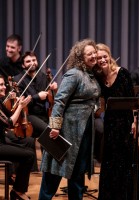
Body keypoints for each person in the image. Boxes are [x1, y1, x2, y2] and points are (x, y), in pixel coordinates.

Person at [38, 38, 101, 200]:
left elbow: (92, 99)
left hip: (84, 130)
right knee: (54, 172)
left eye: (94, 52)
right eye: (89, 53)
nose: (94, 55)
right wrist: (55, 126)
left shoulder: (92, 75)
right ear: (80, 57)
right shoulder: (74, 74)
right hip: (66, 131)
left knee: (78, 172)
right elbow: (59, 100)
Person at [94, 43, 139, 200]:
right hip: (110, 124)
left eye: (105, 56)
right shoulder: (97, 77)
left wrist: (135, 121)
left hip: (126, 123)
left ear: (109, 56)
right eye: (99, 57)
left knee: (127, 161)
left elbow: (133, 101)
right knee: (110, 162)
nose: (103, 59)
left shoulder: (123, 73)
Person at [0, 74, 34, 200]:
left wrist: (18, 103)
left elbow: (9, 115)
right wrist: (20, 106)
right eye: (1, 85)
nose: (4, 87)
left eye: (4, 84)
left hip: (2, 141)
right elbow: (9, 123)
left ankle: (17, 183)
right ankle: (17, 191)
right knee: (29, 155)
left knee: (29, 144)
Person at [14, 51, 58, 138]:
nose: (32, 63)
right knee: (49, 131)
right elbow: (20, 104)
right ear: (23, 65)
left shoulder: (43, 76)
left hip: (45, 113)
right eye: (28, 61)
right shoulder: (18, 80)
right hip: (29, 115)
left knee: (58, 128)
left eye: (34, 60)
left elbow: (52, 100)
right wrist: (37, 97)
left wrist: (54, 90)